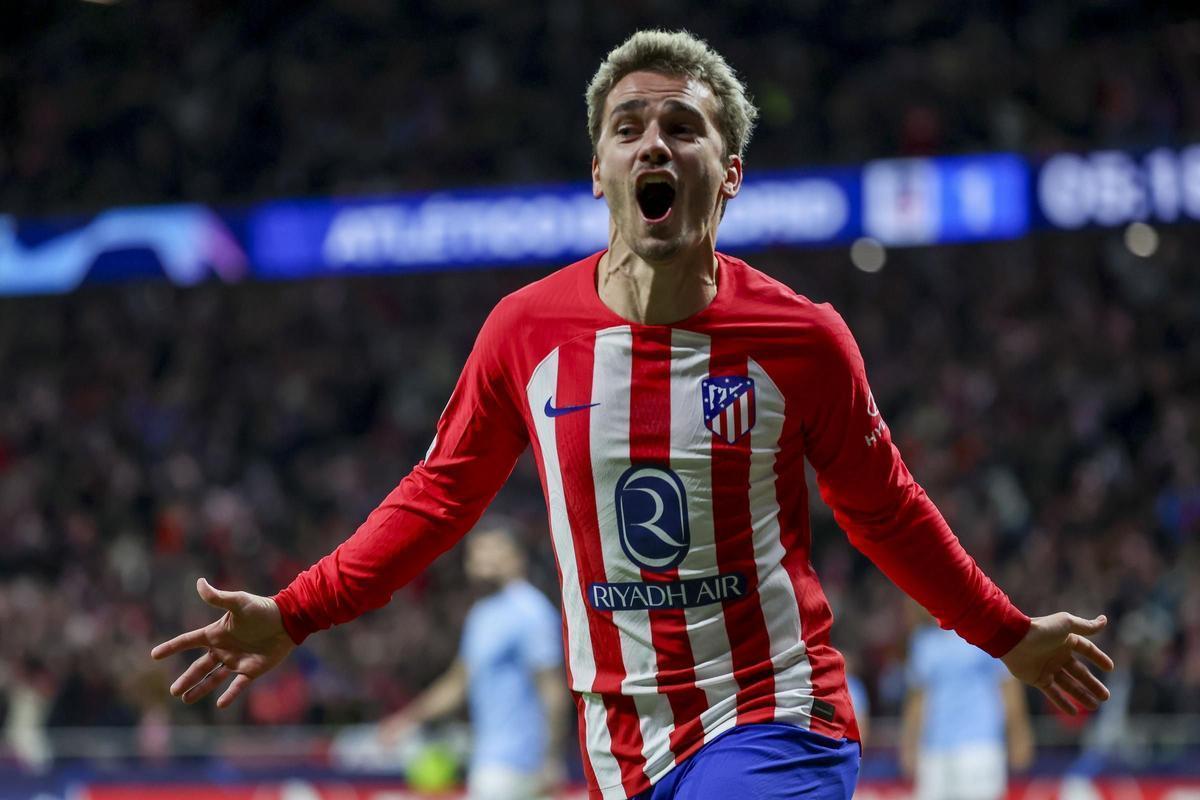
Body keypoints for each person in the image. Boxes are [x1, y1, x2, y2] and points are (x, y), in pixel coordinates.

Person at [151, 29, 1115, 800]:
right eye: (629, 127)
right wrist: (296, 612)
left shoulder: (801, 339)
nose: (655, 141)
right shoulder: (524, 333)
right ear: (601, 172)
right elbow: (438, 497)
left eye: (683, 128)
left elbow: (886, 510)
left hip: (775, 715)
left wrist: (1005, 634)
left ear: (727, 174)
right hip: (621, 751)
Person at [377, 519, 569, 800]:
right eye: (477, 551)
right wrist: (407, 720)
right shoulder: (482, 614)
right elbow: (458, 683)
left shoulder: (532, 611)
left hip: (520, 766)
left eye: (493, 549)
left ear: (516, 556)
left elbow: (552, 689)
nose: (483, 558)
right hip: (491, 761)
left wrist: (551, 758)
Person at [900, 611, 1035, 800]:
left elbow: (1007, 686)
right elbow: (918, 698)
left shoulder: (984, 633)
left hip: (980, 746)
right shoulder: (923, 641)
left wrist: (1019, 735)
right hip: (934, 750)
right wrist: (910, 744)